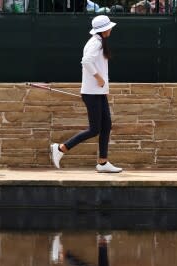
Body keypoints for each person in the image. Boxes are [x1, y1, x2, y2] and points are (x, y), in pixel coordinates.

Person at [50, 15, 123, 174]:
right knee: (95, 129)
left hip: (98, 93)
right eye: (109, 27)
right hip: (92, 93)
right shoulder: (95, 43)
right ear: (104, 29)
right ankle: (61, 148)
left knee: (106, 126)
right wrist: (99, 78)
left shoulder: (99, 42)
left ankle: (103, 163)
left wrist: (102, 85)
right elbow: (86, 61)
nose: (111, 29)